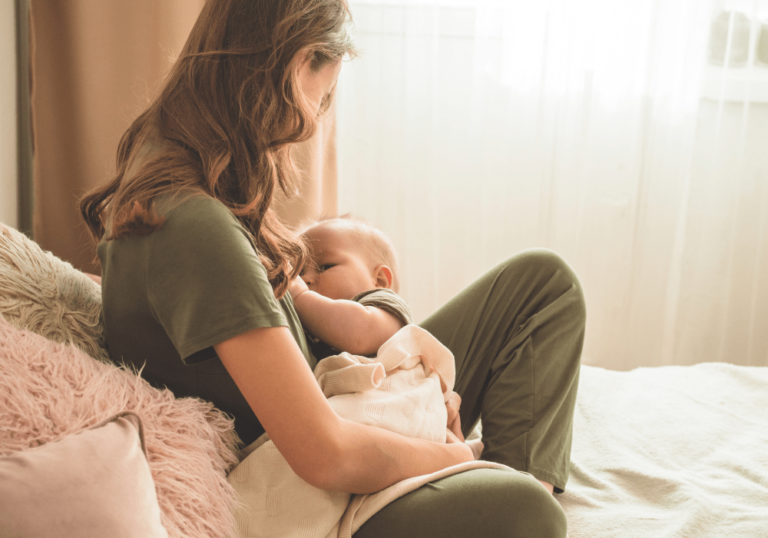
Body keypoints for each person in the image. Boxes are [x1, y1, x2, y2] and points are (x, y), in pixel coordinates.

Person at [80, 1, 583, 536]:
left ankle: (505, 484)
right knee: (528, 509)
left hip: (343, 392)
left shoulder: (175, 172)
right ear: (298, 65)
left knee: (542, 285)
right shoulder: (195, 226)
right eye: (321, 98)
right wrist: (451, 456)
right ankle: (504, 487)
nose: (310, 124)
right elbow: (325, 456)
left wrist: (419, 391)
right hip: (327, 494)